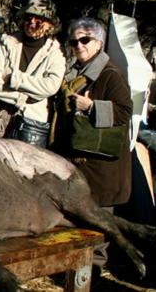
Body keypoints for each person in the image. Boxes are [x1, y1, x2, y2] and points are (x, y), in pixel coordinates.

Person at [51, 17, 132, 207]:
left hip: (100, 168)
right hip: (79, 165)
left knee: (102, 227)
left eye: (85, 40)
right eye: (74, 41)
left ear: (99, 43)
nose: (79, 45)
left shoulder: (110, 74)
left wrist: (91, 107)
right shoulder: (74, 75)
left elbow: (124, 111)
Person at [0, 0, 66, 148]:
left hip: (31, 124)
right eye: (29, 17)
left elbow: (50, 87)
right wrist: (24, 98)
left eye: (39, 18)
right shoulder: (7, 43)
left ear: (50, 24)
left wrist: (15, 80)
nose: (32, 22)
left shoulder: (55, 53)